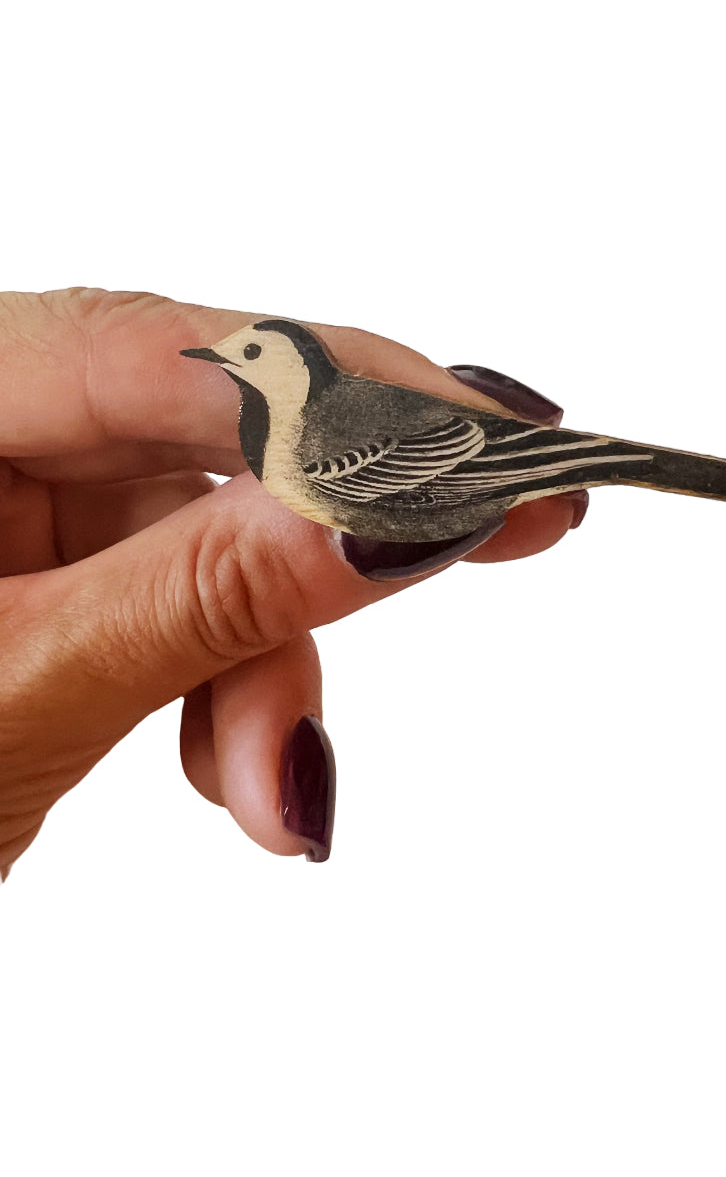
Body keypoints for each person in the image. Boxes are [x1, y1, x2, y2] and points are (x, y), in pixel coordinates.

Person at [0, 289, 587, 879]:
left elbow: (449, 461)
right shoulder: (274, 429)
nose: (230, 359)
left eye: (252, 351)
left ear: (291, 366)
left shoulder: (308, 436)